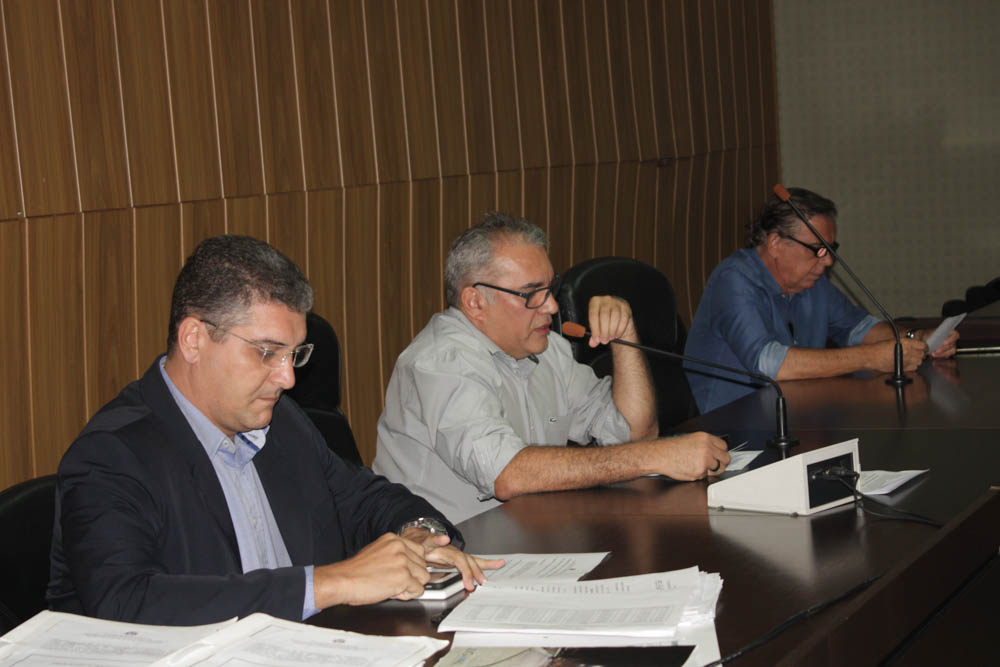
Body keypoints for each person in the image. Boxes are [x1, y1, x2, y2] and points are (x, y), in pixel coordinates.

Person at [47, 235, 500, 626]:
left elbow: (365, 498)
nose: (287, 378)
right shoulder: (113, 454)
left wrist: (419, 535)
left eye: (294, 354)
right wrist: (329, 583)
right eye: (267, 352)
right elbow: (126, 602)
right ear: (194, 340)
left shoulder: (282, 422)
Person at [373, 213, 729, 524]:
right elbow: (507, 474)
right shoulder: (439, 363)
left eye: (551, 288)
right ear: (475, 302)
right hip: (450, 557)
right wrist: (651, 457)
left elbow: (635, 433)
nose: (552, 306)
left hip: (533, 536)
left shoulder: (548, 350)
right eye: (532, 293)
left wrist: (624, 338)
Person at [684, 187, 959, 413]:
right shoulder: (734, 280)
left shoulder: (813, 283)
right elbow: (770, 365)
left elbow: (859, 329)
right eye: (818, 250)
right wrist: (871, 358)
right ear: (776, 243)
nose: (827, 262)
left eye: (831, 249)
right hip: (732, 433)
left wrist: (917, 339)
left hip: (797, 418)